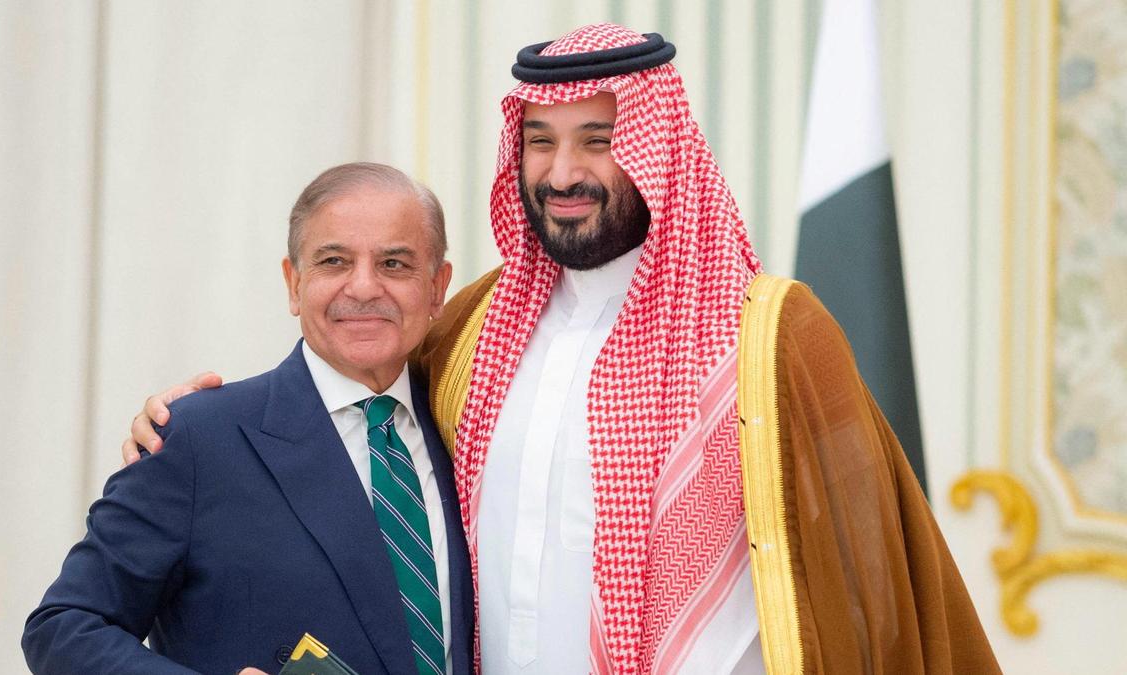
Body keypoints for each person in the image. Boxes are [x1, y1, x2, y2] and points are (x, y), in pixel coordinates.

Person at [124, 25, 1000, 674]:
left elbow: (876, 574)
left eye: (599, 140)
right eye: (540, 142)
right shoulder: (471, 329)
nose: (562, 172)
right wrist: (186, 431)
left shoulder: (768, 335)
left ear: (657, 151)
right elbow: (344, 414)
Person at [25, 163, 474, 675]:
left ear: (437, 288)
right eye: (334, 261)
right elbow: (63, 628)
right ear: (294, 283)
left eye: (394, 263)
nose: (364, 287)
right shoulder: (199, 438)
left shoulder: (466, 431)